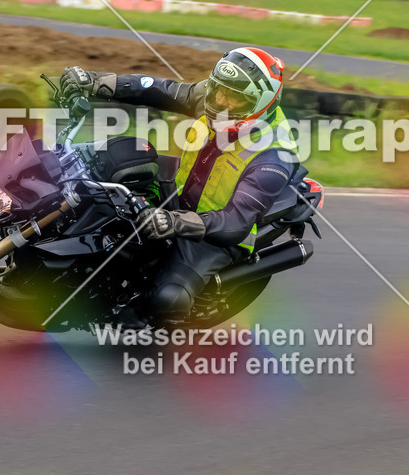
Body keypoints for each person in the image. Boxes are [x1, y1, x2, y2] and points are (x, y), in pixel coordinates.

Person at [59, 47, 299, 328]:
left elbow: (236, 223)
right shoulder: (216, 99)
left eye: (233, 97)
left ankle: (145, 318)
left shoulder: (273, 157)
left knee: (167, 298)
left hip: (215, 234)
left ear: (262, 104)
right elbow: (159, 89)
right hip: (183, 192)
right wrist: (99, 82)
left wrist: (173, 222)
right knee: (119, 164)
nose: (219, 101)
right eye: (217, 90)